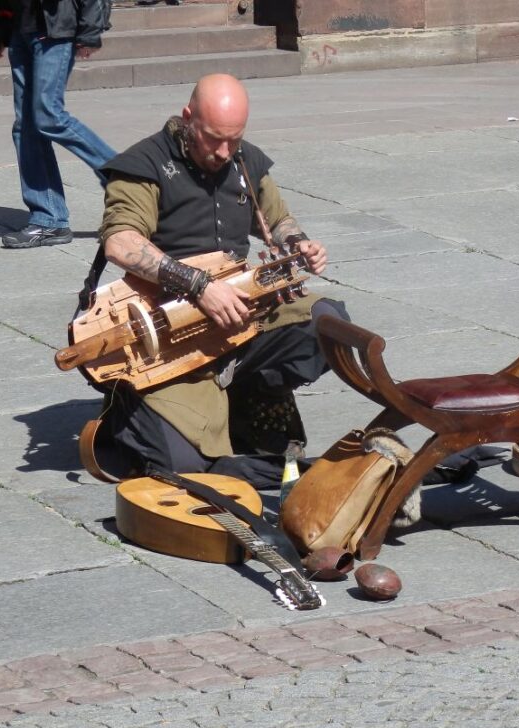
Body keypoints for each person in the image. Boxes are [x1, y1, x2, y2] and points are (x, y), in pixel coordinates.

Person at [93, 73, 349, 483]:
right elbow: (121, 243)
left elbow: (277, 218)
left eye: (235, 138)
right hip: (170, 331)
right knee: (187, 470)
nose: (225, 151)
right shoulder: (144, 165)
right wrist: (199, 286)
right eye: (213, 138)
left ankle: (249, 393)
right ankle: (132, 406)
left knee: (329, 324)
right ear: (188, 117)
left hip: (240, 316)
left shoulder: (243, 159)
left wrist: (298, 242)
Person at [0, 0, 116, 248]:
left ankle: (123, 173)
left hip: (55, 28)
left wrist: (90, 31)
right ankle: (48, 219)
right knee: (25, 129)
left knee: (48, 114)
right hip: (19, 31)